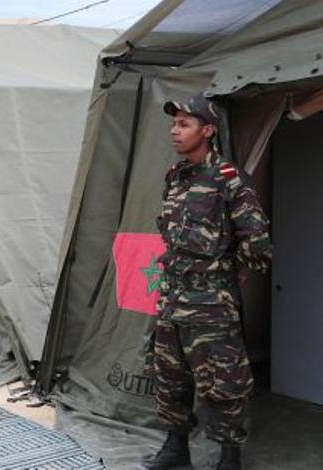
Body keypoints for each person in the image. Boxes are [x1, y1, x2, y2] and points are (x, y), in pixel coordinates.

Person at [142, 94, 272, 470]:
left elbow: (257, 242)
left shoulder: (229, 179)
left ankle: (229, 458)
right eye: (173, 123)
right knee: (170, 377)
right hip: (172, 298)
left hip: (211, 303)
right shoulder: (175, 176)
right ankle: (175, 449)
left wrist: (226, 273)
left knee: (223, 382)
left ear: (208, 130)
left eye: (184, 124)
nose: (174, 130)